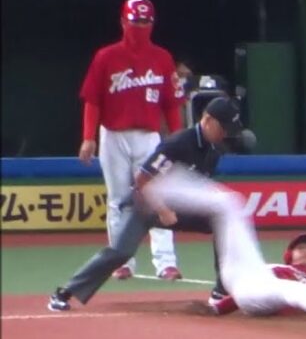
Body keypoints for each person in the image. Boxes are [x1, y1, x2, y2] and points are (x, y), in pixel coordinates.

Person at [48, 97, 248, 312]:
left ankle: (221, 292)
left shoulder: (214, 150)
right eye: (223, 128)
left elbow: (196, 186)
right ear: (208, 120)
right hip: (144, 205)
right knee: (120, 252)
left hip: (176, 208)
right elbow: (142, 181)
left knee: (223, 219)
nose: (225, 134)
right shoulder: (179, 143)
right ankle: (63, 293)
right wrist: (162, 210)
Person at [123, 166, 306, 316]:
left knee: (287, 288)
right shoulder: (277, 269)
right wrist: (219, 308)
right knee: (231, 203)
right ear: (288, 256)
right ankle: (157, 189)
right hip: (248, 275)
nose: (304, 252)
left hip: (255, 287)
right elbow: (245, 292)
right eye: (300, 248)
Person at [79, 0, 186, 282]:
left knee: (156, 195)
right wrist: (88, 137)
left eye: (145, 22)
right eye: (135, 22)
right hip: (113, 135)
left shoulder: (162, 57)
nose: (140, 27)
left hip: (149, 137)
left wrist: (176, 137)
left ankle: (166, 262)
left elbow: (171, 104)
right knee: (118, 199)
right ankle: (121, 260)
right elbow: (92, 99)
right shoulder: (106, 56)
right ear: (123, 22)